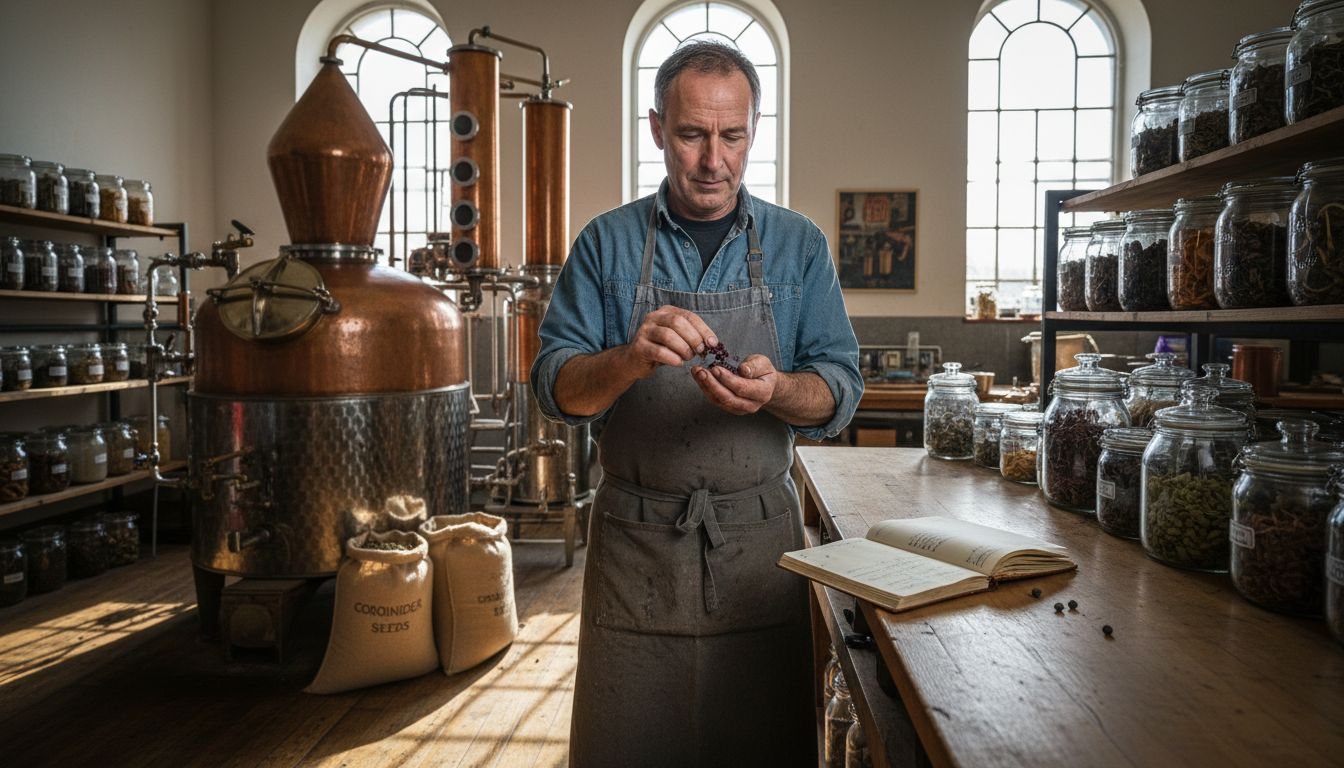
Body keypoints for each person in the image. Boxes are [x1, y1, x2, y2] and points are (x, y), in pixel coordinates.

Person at [531, 40, 861, 767]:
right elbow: (555, 389)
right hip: (636, 550)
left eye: (732, 135)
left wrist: (776, 391)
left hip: (758, 554)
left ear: (753, 129)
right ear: (657, 129)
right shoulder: (605, 245)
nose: (714, 160)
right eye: (691, 135)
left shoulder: (798, 245)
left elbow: (839, 388)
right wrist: (627, 359)